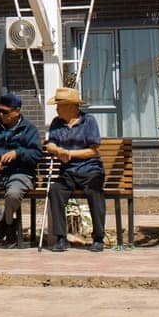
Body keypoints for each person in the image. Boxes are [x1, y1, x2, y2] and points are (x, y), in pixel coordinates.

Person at [0, 90, 43, 246]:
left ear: (17, 111)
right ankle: (5, 222)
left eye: (5, 112)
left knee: (13, 194)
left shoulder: (29, 129)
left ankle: (5, 223)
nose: (1, 115)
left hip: (21, 173)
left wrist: (18, 153)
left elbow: (37, 154)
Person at [44, 86, 106, 252]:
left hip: (90, 170)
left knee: (95, 191)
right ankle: (61, 238)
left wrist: (70, 153)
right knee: (55, 190)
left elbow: (94, 150)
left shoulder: (89, 121)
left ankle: (99, 237)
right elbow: (50, 144)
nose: (56, 108)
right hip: (68, 173)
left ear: (71, 106)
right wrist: (57, 151)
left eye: (59, 105)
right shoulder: (57, 123)